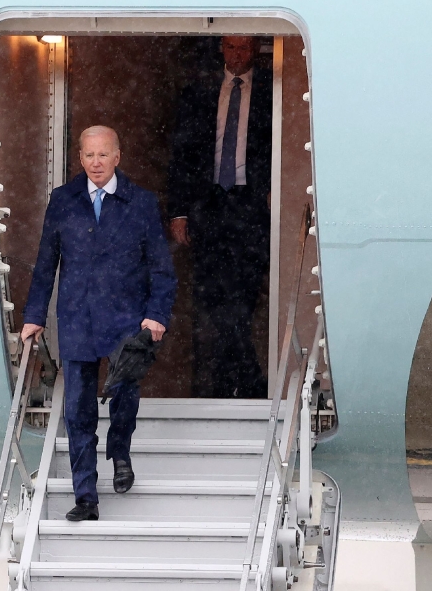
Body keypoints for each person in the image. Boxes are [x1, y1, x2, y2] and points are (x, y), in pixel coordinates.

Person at [21, 126, 177, 522]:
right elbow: (45, 264)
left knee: (125, 397)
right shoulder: (63, 200)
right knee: (77, 411)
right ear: (80, 157)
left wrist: (156, 315)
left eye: (103, 155)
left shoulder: (140, 202)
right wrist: (33, 316)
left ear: (117, 157)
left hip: (126, 317)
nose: (95, 163)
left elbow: (162, 267)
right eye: (89, 155)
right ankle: (86, 496)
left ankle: (120, 451)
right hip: (77, 318)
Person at [168, 35, 272, 399]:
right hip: (208, 205)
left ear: (255, 49)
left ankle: (235, 383)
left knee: (242, 299)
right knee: (213, 300)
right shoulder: (201, 90)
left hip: (251, 206)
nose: (237, 54)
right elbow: (182, 154)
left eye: (243, 47)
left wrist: (276, 191)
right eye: (231, 47)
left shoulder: (273, 91)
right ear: (222, 50)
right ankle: (245, 381)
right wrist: (179, 211)